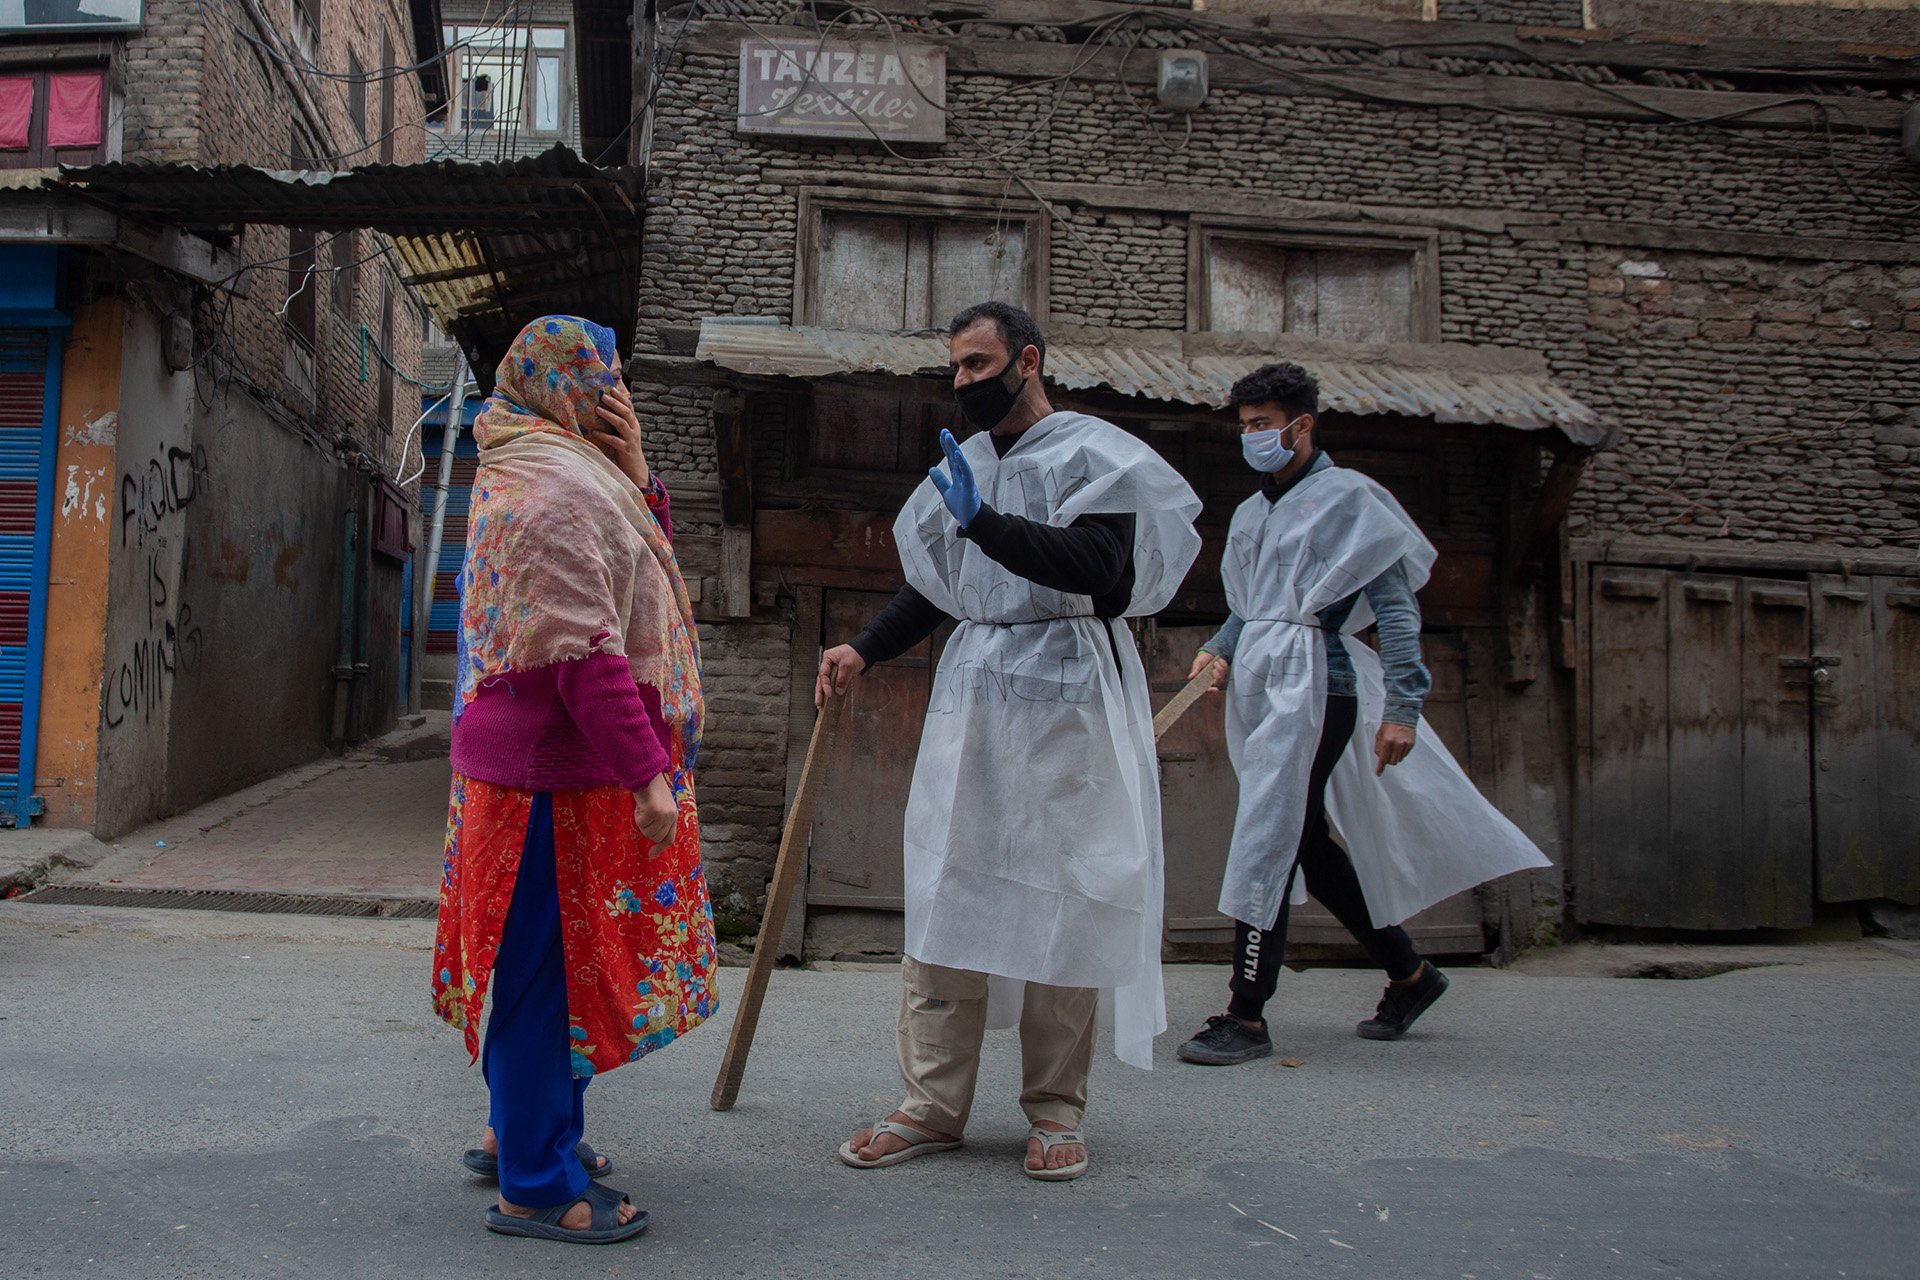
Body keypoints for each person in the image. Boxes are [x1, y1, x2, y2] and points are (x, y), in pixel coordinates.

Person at [820, 302, 1200, 1181]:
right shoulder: (970, 466)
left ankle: (1056, 1109)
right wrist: (864, 646)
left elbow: (1098, 570)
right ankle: (931, 1105)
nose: (963, 383)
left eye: (979, 364)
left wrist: (983, 522)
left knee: (1066, 896)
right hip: (977, 699)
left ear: (1027, 360)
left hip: (1067, 696)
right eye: (954, 368)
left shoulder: (1095, 456)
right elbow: (944, 587)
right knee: (949, 886)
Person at [430, 315, 715, 1243]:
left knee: (557, 969)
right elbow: (580, 648)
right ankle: (536, 1185)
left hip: (560, 774)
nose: (610, 392)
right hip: (544, 780)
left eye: (616, 375)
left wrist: (638, 477)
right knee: (536, 976)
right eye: (593, 375)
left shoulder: (564, 466)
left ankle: (523, 1127)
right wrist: (648, 774)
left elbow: (637, 577)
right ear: (552, 382)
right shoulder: (548, 485)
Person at [1176, 361, 1549, 1067]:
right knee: (1304, 838)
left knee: (1270, 835)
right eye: (1245, 427)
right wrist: (1220, 647)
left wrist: (1403, 706)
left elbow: (1399, 612)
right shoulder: (1256, 511)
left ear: (1302, 424)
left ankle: (1246, 1015)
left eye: (1262, 425)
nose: (1252, 437)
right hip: (1264, 679)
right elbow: (1252, 604)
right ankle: (1410, 973)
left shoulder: (1355, 501)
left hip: (1320, 682)